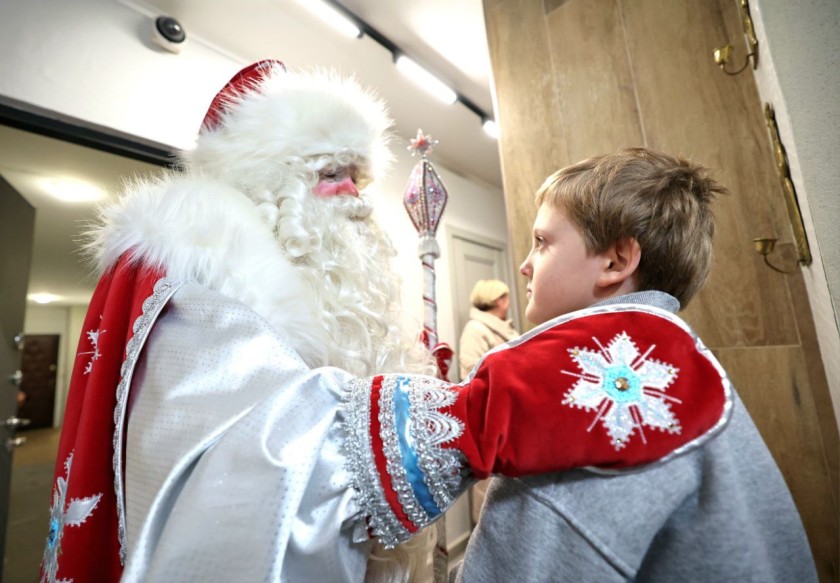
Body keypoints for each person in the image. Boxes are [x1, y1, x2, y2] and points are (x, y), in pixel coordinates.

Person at [40, 62, 731, 583]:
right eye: (331, 178)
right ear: (268, 181)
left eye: (360, 181)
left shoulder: (638, 371)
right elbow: (252, 481)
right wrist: (460, 416)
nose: (358, 204)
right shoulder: (198, 277)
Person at [450, 148, 817, 582]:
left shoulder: (576, 393)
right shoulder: (681, 364)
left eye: (543, 242)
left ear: (616, 261)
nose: (526, 265)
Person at [457, 279, 518, 525]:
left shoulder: (504, 328)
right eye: (504, 298)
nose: (507, 303)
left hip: (511, 412)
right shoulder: (476, 329)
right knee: (487, 482)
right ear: (495, 301)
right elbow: (470, 371)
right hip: (488, 415)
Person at [458, 279, 518, 380]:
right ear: (499, 301)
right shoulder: (474, 329)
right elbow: (473, 371)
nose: (509, 304)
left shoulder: (505, 327)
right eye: (507, 299)